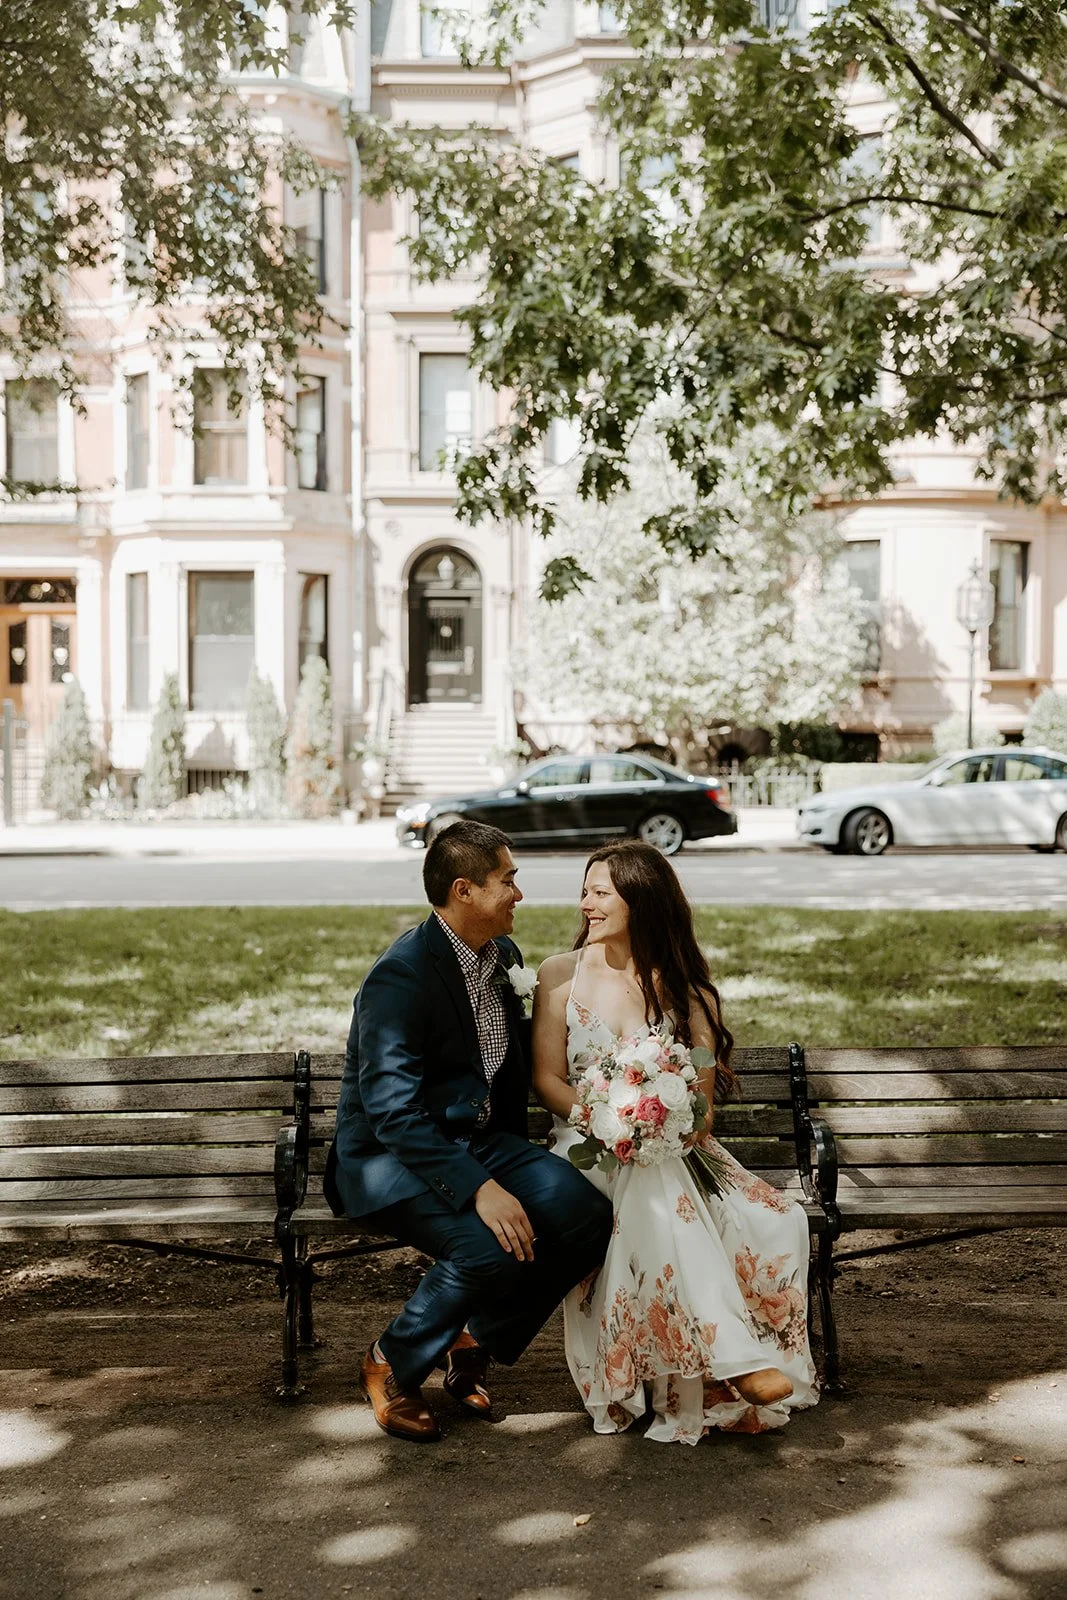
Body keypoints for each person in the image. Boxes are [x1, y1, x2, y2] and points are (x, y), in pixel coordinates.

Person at [324, 819, 613, 1442]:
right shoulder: (401, 977)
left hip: (479, 1141)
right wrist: (481, 1188)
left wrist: (516, 1169)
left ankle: (471, 1339)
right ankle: (391, 1364)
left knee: (584, 1212)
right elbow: (392, 1112)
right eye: (507, 880)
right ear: (464, 890)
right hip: (388, 1159)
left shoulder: (501, 957)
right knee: (485, 1244)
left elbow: (503, 1075)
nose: (519, 894)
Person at [532, 840, 818, 1444]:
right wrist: (605, 1119)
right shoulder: (558, 975)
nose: (586, 903)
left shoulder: (690, 994)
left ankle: (716, 1365)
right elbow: (546, 1079)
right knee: (646, 1179)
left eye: (601, 892)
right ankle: (734, 1359)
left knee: (767, 1216)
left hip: (676, 1151)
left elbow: (703, 1097)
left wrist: (659, 1128)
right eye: (585, 891)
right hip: (582, 1146)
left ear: (641, 901)